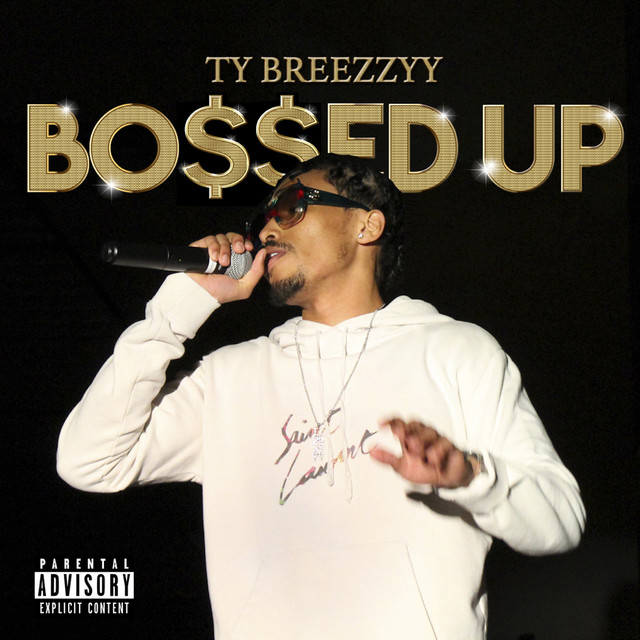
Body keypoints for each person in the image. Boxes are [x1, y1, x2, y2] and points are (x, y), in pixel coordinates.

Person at [57, 153, 585, 640]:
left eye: (291, 206)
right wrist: (176, 311)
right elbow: (89, 462)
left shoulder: (459, 351)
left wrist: (471, 475)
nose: (267, 229)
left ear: (366, 225)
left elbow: (559, 522)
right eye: (263, 218)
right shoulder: (228, 376)